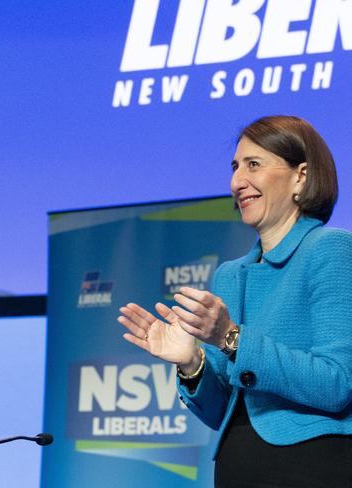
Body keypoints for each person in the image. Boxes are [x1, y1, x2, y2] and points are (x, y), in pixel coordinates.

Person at [118, 116, 352, 487]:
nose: (236, 182)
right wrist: (191, 363)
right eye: (235, 167)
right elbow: (219, 410)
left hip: (310, 465)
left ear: (301, 176)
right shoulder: (230, 274)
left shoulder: (331, 249)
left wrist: (232, 338)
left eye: (253, 165)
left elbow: (338, 383)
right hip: (237, 465)